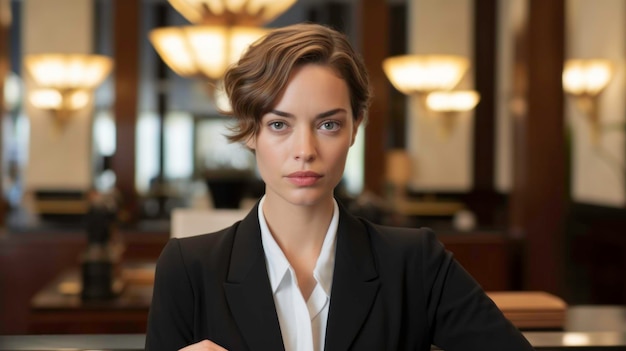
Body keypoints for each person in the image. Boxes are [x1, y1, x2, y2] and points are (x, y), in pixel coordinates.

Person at [145, 23, 535, 351]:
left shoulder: (415, 262)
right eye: (279, 125)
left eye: (328, 124)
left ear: (355, 127)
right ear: (251, 131)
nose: (305, 151)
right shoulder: (188, 268)